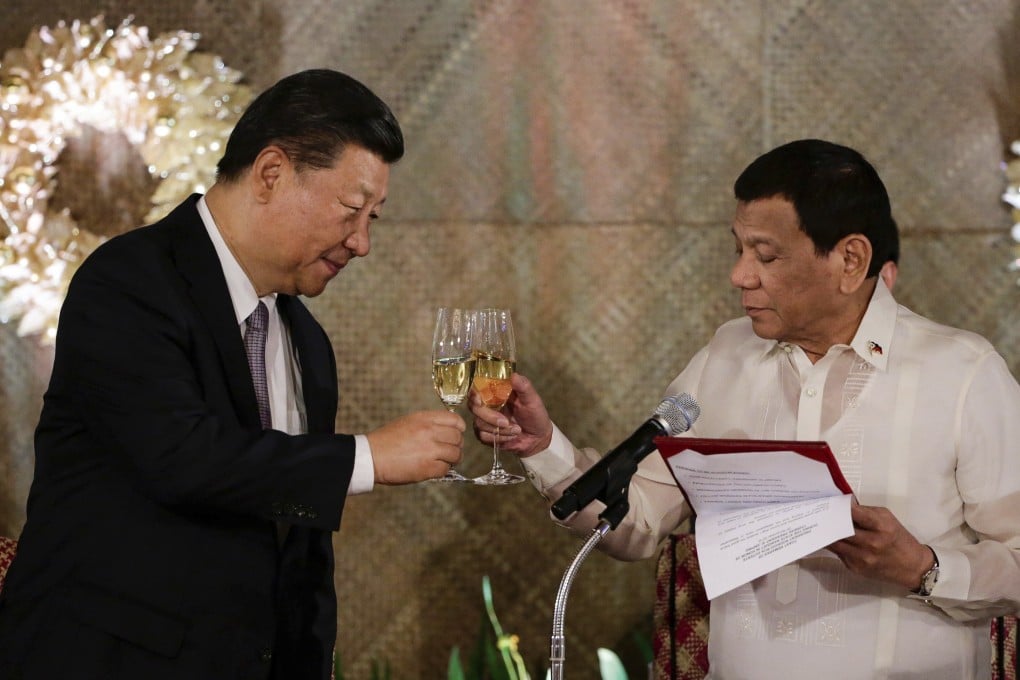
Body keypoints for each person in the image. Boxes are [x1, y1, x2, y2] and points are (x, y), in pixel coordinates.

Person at [470, 139, 1020, 679]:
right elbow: (633, 524)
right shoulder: (725, 358)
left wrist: (924, 569)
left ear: (850, 259)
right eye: (738, 249)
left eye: (766, 255)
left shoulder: (963, 372)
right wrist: (542, 448)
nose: (740, 275)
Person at [0, 69, 465, 679]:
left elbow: (298, 552)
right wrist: (367, 458)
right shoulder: (128, 281)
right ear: (271, 173)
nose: (361, 242)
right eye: (352, 209)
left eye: (374, 216)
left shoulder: (308, 342)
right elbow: (183, 458)